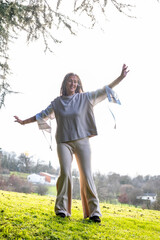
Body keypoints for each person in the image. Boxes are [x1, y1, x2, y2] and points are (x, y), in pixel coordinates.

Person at [14, 64, 129, 223]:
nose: (73, 84)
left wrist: (120, 78)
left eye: (75, 81)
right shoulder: (57, 103)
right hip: (63, 142)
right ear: (64, 84)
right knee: (65, 174)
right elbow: (41, 115)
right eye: (70, 81)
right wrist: (23, 122)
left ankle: (94, 212)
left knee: (86, 175)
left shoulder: (85, 98)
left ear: (78, 84)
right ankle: (62, 210)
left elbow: (105, 90)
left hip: (82, 141)